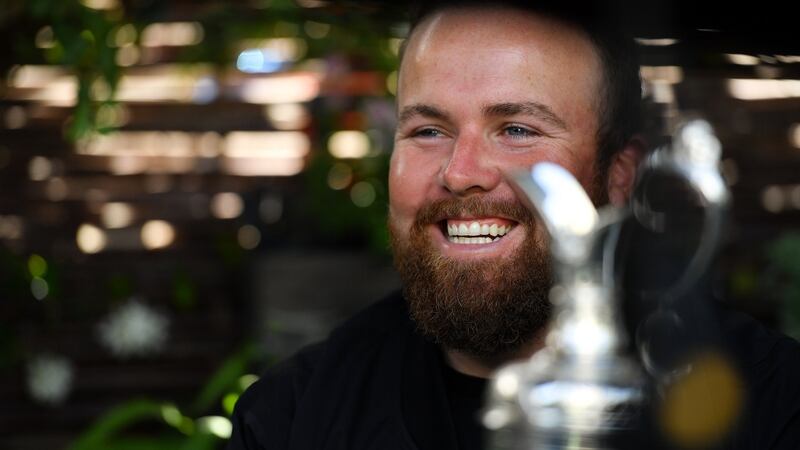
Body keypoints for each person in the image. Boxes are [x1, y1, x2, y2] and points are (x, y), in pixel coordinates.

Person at [227, 2, 800, 449]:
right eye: (428, 130)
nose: (460, 173)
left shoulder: (772, 406)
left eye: (518, 129)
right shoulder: (289, 421)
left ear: (621, 174)